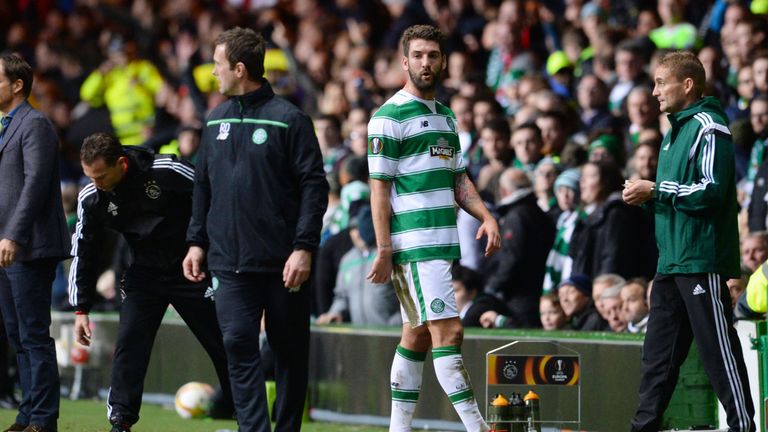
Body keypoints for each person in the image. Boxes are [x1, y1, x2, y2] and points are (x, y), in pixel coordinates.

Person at [183, 27, 328, 432]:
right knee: (236, 342)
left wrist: (303, 247)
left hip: (283, 262)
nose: (212, 72)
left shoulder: (290, 120)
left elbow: (314, 186)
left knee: (288, 353)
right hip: (228, 261)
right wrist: (196, 241)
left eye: (217, 64)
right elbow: (202, 184)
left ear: (240, 69)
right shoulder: (214, 119)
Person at [366, 24, 501, 432]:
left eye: (433, 55)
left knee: (418, 335)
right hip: (416, 245)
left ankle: (398, 429)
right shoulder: (388, 117)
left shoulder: (446, 116)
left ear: (443, 62)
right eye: (418, 55)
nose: (426, 63)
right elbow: (378, 190)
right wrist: (384, 249)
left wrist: (486, 215)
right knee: (450, 332)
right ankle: (478, 428)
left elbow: (458, 179)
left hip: (442, 242)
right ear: (404, 62)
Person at [623, 50, 755, 432]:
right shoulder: (673, 132)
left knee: (717, 352)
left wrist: (656, 190)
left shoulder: (709, 126)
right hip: (671, 261)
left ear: (687, 84)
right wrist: (646, 197)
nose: (654, 92)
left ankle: (743, 427)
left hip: (699, 259)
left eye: (660, 83)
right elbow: (676, 197)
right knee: (657, 358)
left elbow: (711, 190)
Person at [68, 133, 234, 432]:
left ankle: (245, 414)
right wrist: (81, 308)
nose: (95, 183)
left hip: (192, 267)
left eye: (101, 176)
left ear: (121, 164)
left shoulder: (168, 171)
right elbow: (84, 250)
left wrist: (204, 246)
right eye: (89, 176)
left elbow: (215, 195)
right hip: (144, 273)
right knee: (130, 345)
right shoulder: (91, 197)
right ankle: (121, 421)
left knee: (225, 343)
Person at [0, 53, 70, 432]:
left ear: (17, 85)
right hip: (6, 249)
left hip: (28, 246)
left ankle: (43, 419)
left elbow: (35, 185)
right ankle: (28, 414)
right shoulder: (6, 125)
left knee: (33, 334)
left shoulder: (35, 124)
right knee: (17, 336)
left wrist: (14, 234)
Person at [485, 168, 555, 328]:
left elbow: (512, 257)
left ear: (503, 191)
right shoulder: (538, 213)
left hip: (519, 296)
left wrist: (493, 286)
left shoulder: (516, 216)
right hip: (536, 289)